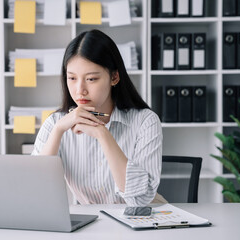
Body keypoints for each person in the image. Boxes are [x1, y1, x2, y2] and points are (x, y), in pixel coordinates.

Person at [32, 29, 163, 206]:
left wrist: (103, 134)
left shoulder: (145, 122)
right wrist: (57, 131)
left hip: (141, 220)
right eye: (72, 78)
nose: (80, 90)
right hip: (92, 224)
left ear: (114, 77)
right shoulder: (56, 123)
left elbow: (139, 200)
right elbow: (35, 189)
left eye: (91, 79)